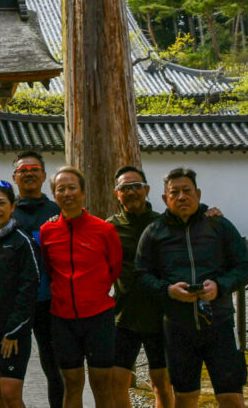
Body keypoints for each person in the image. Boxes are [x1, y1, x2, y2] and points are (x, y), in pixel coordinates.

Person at [136, 168, 248, 408]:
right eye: (174, 192)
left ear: (198, 193)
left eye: (187, 191)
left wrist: (219, 286)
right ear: (164, 198)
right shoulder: (154, 232)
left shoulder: (219, 226)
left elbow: (244, 268)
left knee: (231, 397)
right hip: (178, 328)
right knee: (185, 397)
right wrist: (168, 290)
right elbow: (141, 274)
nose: (181, 197)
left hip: (219, 324)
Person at [39, 166, 123, 408]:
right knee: (72, 384)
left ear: (83, 193)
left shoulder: (104, 230)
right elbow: (49, 267)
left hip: (99, 317)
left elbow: (114, 268)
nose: (67, 193)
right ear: (55, 195)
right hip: (62, 318)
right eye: (60, 189)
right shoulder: (48, 230)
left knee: (101, 384)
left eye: (72, 188)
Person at [106, 166, 174, 408]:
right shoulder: (109, 227)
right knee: (116, 383)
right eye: (125, 188)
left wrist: (210, 213)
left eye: (136, 186)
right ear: (117, 194)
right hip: (124, 316)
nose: (131, 192)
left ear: (146, 189)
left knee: (162, 384)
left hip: (160, 316)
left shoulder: (164, 224)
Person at [0, 180, 40, 408]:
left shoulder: (23, 241)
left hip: (13, 330)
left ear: (13, 207)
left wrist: (13, 331)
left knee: (10, 393)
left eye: (2, 203)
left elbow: (30, 287)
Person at [7, 150, 63, 408]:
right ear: (14, 177)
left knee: (56, 369)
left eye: (34, 170)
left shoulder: (57, 211)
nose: (29, 174)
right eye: (23, 171)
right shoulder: (6, 211)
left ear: (43, 175)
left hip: (49, 302)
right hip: (15, 303)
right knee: (10, 371)